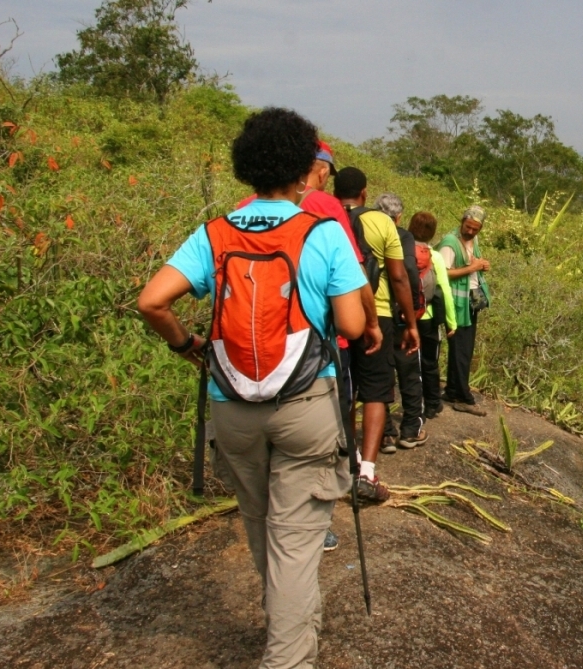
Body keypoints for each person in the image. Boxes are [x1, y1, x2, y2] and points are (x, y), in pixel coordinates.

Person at [137, 107, 364, 669]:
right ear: (303, 168)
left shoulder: (215, 232)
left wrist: (188, 347)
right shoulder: (323, 232)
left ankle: (296, 626)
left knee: (263, 528)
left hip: (232, 405)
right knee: (295, 539)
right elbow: (354, 327)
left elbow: (151, 302)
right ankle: (287, 657)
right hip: (306, 404)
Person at [240, 144, 381, 553]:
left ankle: (267, 520)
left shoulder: (243, 208)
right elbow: (354, 278)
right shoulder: (324, 206)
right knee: (316, 443)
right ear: (316, 172)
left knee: (262, 442)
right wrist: (371, 325)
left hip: (251, 348)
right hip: (314, 349)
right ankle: (310, 527)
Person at [332, 172, 420, 498]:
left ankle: (348, 461)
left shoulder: (325, 217)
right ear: (365, 193)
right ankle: (367, 471)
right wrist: (410, 323)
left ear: (334, 190)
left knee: (344, 389)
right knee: (375, 391)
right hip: (377, 315)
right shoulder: (383, 224)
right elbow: (398, 277)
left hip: (336, 316)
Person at [373, 193, 429, 448]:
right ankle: (410, 429)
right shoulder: (402, 236)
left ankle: (385, 433)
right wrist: (413, 311)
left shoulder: (364, 230)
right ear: (398, 217)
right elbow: (408, 272)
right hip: (397, 313)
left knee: (380, 374)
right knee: (409, 371)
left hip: (372, 313)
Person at [437, 205, 491, 416]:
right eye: (468, 227)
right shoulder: (450, 243)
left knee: (464, 350)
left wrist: (481, 264)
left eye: (475, 229)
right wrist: (472, 268)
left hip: (469, 301)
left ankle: (453, 390)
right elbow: (442, 272)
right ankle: (462, 395)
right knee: (461, 350)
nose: (470, 232)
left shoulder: (473, 240)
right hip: (456, 304)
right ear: (462, 221)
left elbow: (472, 263)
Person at [407, 211, 457, 419]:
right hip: (427, 318)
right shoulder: (434, 256)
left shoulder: (402, 252)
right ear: (432, 233)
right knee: (430, 362)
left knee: (409, 364)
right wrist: (451, 322)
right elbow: (444, 290)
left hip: (406, 317)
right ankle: (432, 404)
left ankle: (413, 405)